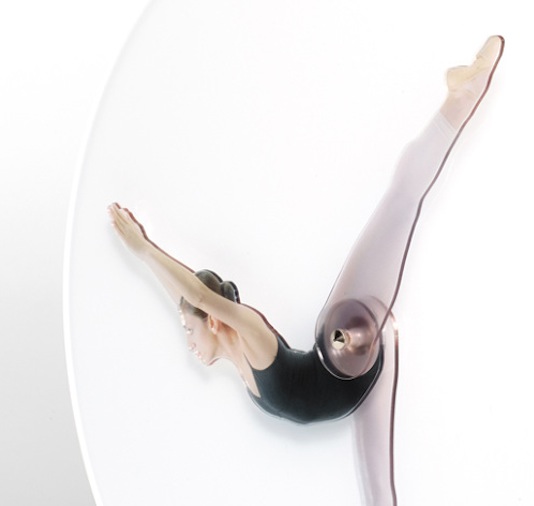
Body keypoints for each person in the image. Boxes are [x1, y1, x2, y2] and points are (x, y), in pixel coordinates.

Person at [107, 36, 504, 424]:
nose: (188, 342)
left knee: (398, 205)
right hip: (346, 366)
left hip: (343, 346)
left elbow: (196, 296)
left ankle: (464, 95)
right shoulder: (236, 358)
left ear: (213, 319)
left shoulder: (250, 332)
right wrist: (149, 262)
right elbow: (188, 299)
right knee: (397, 205)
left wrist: (144, 250)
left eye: (189, 330)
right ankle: (461, 96)